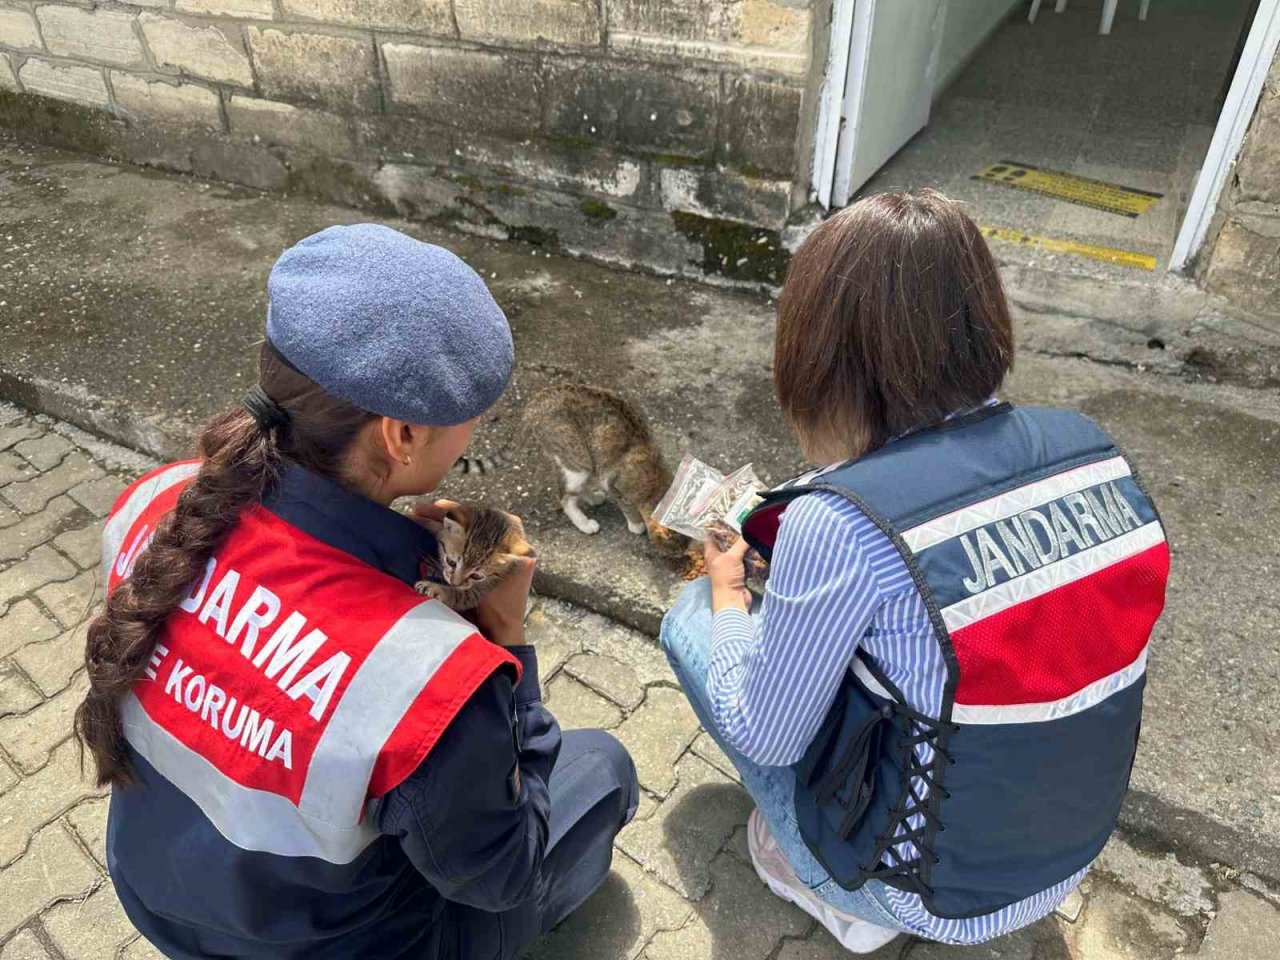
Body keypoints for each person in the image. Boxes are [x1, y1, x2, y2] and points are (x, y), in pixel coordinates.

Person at [76, 224, 638, 960]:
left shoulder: (156, 501)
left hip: (162, 900)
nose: (474, 430)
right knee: (602, 771)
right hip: (343, 945)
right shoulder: (424, 684)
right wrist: (506, 643)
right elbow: (502, 870)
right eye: (472, 413)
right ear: (401, 435)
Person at [660, 191, 1170, 952]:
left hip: (923, 894)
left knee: (691, 622)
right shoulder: (1094, 451)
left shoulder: (838, 524)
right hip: (1069, 855)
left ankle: (835, 895)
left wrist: (730, 594)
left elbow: (763, 735)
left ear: (822, 358)